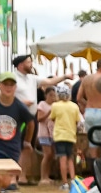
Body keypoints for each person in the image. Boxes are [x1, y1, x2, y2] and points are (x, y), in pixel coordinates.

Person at [12, 54, 71, 184]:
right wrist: (20, 102)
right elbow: (6, 94)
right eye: (29, 62)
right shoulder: (12, 78)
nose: (31, 64)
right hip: (18, 117)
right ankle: (13, 177)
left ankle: (23, 176)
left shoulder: (32, 78)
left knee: (28, 147)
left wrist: (65, 76)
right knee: (17, 146)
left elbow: (50, 82)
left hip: (31, 118)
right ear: (21, 64)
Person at [0, 72, 35, 193]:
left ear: (15, 87)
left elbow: (31, 123)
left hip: (12, 149)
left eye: (11, 84)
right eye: (5, 84)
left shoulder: (20, 106)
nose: (8, 87)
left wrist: (27, 141)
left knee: (5, 182)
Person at [51, 86, 83, 190]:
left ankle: (64, 183)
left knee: (62, 159)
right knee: (70, 158)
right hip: (71, 135)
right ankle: (73, 180)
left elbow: (52, 118)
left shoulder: (55, 105)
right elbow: (78, 121)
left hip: (59, 135)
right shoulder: (74, 106)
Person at [37, 87, 57, 185]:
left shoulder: (56, 105)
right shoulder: (42, 104)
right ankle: (42, 177)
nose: (52, 97)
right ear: (46, 96)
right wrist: (48, 113)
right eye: (50, 95)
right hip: (44, 133)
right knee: (47, 154)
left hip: (53, 133)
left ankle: (47, 176)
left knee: (51, 155)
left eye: (54, 95)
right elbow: (39, 118)